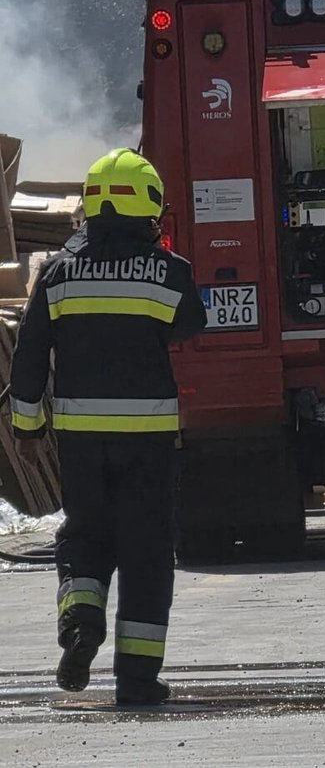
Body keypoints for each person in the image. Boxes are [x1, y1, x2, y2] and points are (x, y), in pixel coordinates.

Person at [9, 149, 205, 706]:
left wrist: (27, 430)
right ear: (149, 205)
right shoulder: (171, 272)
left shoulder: (57, 273)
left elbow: (29, 355)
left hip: (81, 445)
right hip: (148, 444)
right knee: (147, 554)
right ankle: (137, 681)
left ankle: (81, 623)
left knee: (85, 538)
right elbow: (191, 325)